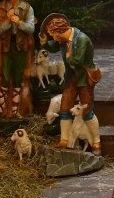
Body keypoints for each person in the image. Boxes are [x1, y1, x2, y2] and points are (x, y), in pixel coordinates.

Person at [39, 13, 102, 154]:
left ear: (60, 31)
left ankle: (96, 142)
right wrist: (44, 42)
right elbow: (53, 47)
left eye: (53, 35)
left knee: (87, 111)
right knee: (64, 108)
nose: (54, 38)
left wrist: (69, 56)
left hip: (84, 79)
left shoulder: (82, 39)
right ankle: (64, 140)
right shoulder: (62, 40)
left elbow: (77, 60)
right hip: (71, 79)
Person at [0, 0, 36, 119]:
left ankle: (15, 111)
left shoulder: (27, 8)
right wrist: (8, 21)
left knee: (17, 78)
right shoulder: (1, 8)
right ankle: (1, 110)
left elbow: (31, 28)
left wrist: (19, 22)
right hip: (6, 48)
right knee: (4, 77)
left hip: (21, 47)